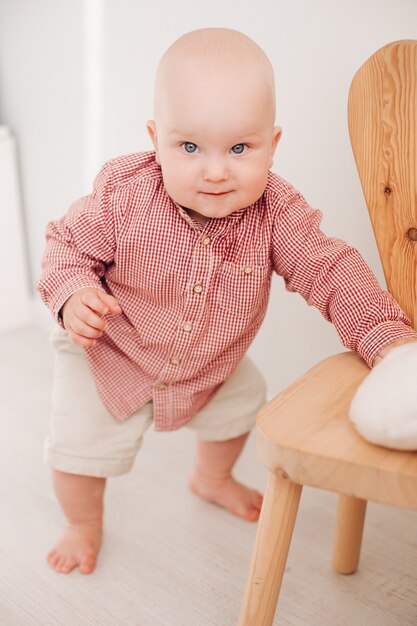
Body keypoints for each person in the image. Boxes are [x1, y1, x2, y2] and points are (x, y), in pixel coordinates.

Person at [37, 27, 417, 575]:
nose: (215, 171)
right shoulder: (124, 196)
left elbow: (331, 271)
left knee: (245, 404)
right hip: (107, 351)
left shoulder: (276, 213)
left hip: (209, 363)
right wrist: (74, 294)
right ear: (156, 138)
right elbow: (65, 244)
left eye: (240, 148)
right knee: (80, 447)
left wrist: (387, 341)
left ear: (273, 142)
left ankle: (211, 478)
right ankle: (81, 522)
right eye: (189, 147)